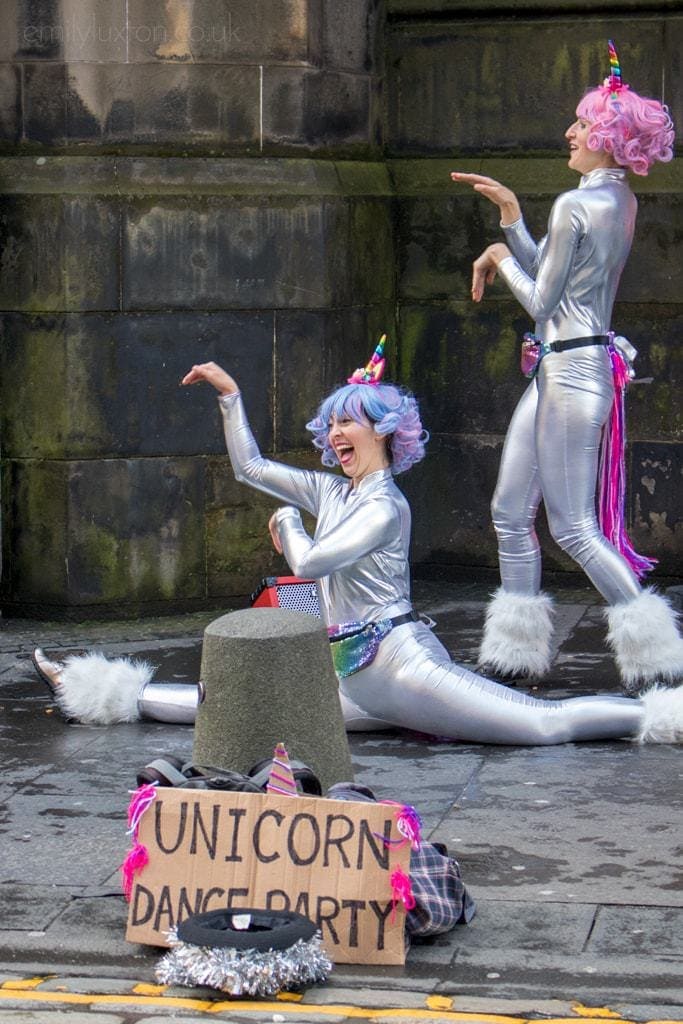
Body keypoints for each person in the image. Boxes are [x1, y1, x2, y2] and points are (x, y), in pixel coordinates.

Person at [32, 338, 683, 745]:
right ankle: (93, 687)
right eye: (332, 423)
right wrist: (231, 398)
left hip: (402, 669)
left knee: (538, 726)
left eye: (349, 422)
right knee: (227, 706)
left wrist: (286, 527)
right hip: (348, 673)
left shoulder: (383, 507)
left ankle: (658, 716)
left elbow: (312, 562)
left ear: (383, 433)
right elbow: (251, 470)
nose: (335, 433)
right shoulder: (334, 492)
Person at [450, 41, 681, 694]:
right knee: (507, 511)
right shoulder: (611, 201)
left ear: (606, 137)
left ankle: (662, 666)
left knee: (574, 527)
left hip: (571, 373)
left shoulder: (579, 205)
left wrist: (498, 256)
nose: (569, 133)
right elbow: (563, 280)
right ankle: (513, 658)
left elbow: (541, 298)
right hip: (565, 367)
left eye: (581, 125)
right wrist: (512, 221)